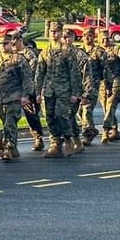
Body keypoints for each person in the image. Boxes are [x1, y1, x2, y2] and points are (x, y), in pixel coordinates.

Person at [34, 21, 81, 158]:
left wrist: (75, 93)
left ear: (61, 33)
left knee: (62, 115)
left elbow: (75, 73)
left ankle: (68, 139)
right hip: (49, 90)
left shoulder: (67, 51)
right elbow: (39, 73)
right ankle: (55, 143)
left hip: (64, 90)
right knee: (49, 117)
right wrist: (38, 92)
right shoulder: (45, 52)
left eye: (56, 31)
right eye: (51, 31)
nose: (53, 34)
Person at [0, 32, 33, 161]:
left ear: (11, 44)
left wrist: (25, 95)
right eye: (0, 44)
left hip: (14, 96)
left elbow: (27, 78)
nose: (3, 46)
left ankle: (9, 148)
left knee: (10, 123)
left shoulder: (19, 59)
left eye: (6, 43)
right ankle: (13, 147)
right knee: (5, 122)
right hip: (0, 97)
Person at [98, 29, 120, 143]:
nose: (105, 41)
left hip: (115, 80)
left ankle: (105, 131)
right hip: (103, 83)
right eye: (103, 38)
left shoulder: (117, 49)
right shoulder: (98, 50)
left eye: (107, 38)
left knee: (110, 106)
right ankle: (115, 130)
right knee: (106, 107)